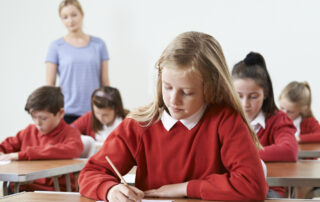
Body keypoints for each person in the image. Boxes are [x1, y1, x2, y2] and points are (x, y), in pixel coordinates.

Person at [78, 31, 268, 201]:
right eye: (167, 87)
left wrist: (184, 188)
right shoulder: (140, 124)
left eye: (186, 92)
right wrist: (110, 189)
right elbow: (91, 173)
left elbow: (253, 185)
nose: (173, 100)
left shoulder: (225, 121)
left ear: (210, 88)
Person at [232, 52, 298, 197]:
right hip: (234, 188)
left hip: (268, 189)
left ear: (265, 93)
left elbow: (289, 150)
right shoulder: (226, 119)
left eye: (253, 96)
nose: (245, 104)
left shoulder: (278, 119)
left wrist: (242, 155)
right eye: (239, 95)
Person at [0, 86, 83, 191]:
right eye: (33, 117)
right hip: (23, 190)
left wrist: (21, 155)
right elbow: (6, 145)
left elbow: (72, 149)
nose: (37, 123)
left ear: (61, 113)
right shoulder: (28, 131)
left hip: (53, 191)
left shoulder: (71, 133)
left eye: (43, 118)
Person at [45, 0, 110, 124]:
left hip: (95, 113)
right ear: (61, 20)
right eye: (65, 17)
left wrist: (108, 109)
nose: (70, 20)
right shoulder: (56, 46)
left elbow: (105, 82)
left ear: (82, 14)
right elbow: (49, 86)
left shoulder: (99, 45)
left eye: (74, 15)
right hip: (66, 112)